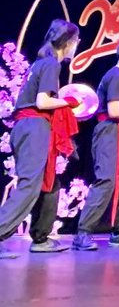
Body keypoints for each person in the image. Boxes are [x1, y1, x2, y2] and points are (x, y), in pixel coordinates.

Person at [0, 20, 82, 259]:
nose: (77, 45)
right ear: (67, 43)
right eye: (76, 41)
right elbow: (42, 102)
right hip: (33, 125)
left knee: (50, 184)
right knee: (30, 184)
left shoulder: (41, 63)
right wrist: (70, 102)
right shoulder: (50, 65)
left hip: (31, 126)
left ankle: (41, 237)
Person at [73, 35, 119, 250]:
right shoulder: (115, 76)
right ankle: (83, 233)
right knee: (106, 180)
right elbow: (114, 110)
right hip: (108, 132)